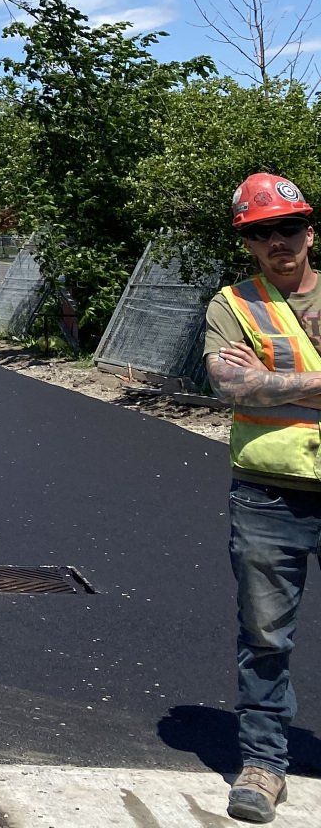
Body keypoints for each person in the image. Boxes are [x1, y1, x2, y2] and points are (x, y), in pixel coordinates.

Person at [204, 173, 321, 823]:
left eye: (288, 227)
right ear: (247, 242)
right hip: (268, 496)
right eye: (261, 232)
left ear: (310, 231)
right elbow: (232, 385)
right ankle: (263, 763)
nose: (278, 241)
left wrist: (274, 380)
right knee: (266, 636)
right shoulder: (233, 305)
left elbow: (258, 384)